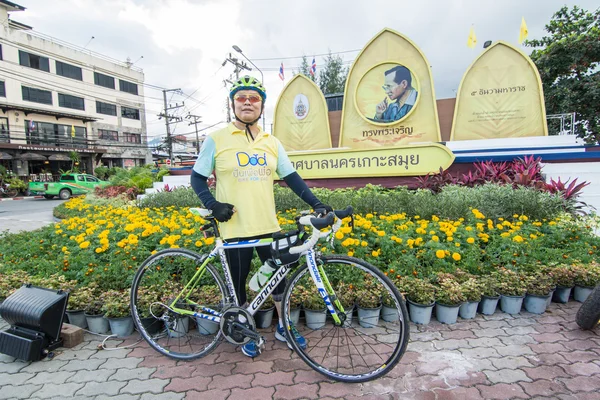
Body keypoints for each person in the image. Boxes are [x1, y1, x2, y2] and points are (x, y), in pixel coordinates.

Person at [190, 75, 332, 358]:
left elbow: (291, 177)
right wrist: (213, 203)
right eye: (241, 97)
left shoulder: (271, 142)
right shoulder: (216, 139)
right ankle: (244, 329)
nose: (247, 102)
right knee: (239, 284)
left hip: (267, 225)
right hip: (234, 228)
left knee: (277, 280)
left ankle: (284, 327)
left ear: (262, 106)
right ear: (232, 104)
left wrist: (318, 203)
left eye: (253, 98)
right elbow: (196, 178)